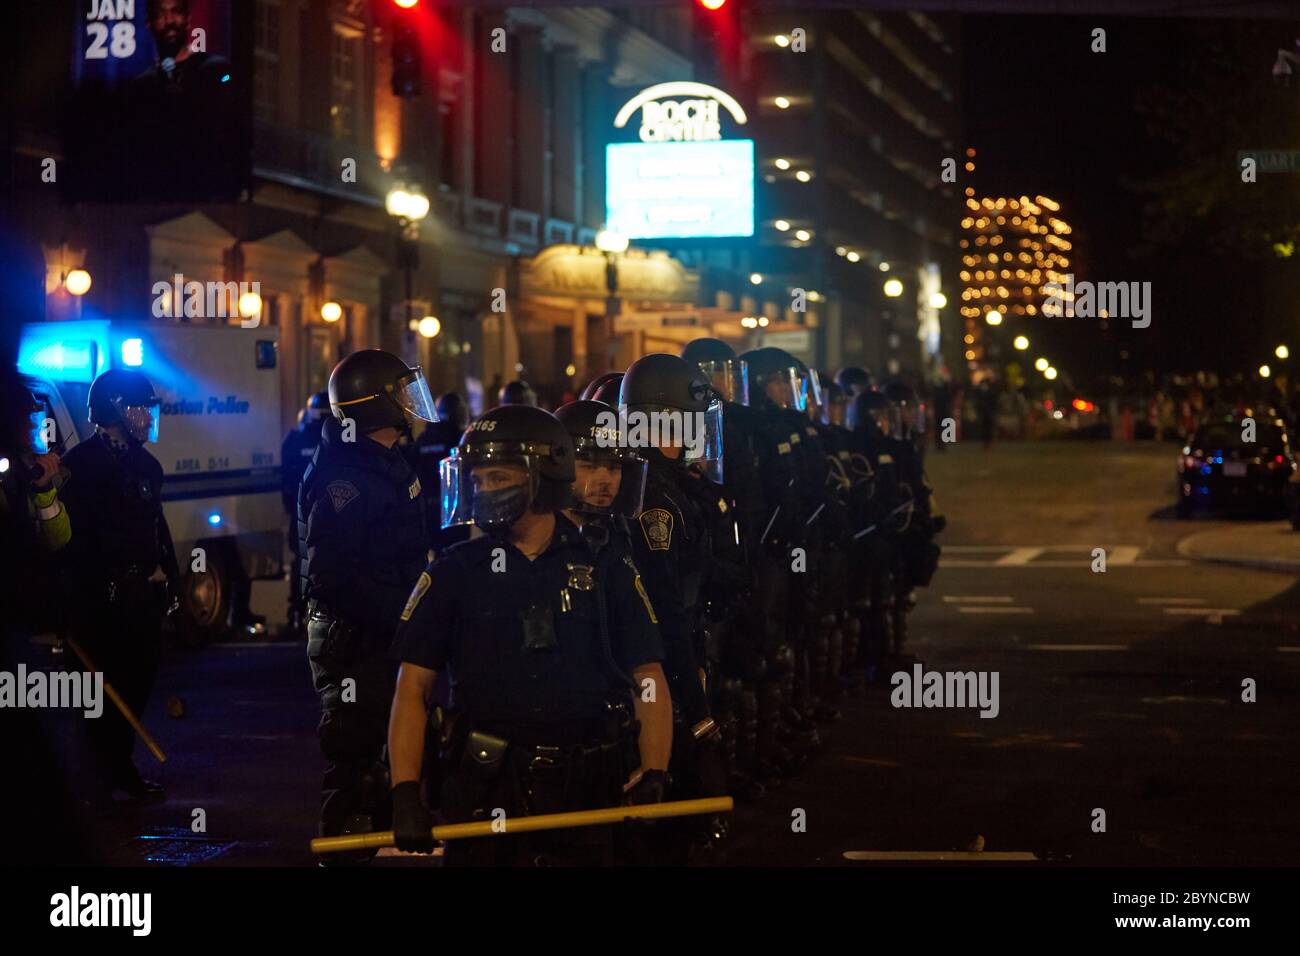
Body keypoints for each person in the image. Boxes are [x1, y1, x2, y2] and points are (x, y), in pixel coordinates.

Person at [388, 404, 670, 866]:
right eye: (477, 480)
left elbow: (648, 674)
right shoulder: (454, 572)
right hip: (485, 789)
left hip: (586, 793)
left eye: (498, 479)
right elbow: (412, 688)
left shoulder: (605, 567)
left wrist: (654, 768)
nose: (483, 491)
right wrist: (404, 792)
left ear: (545, 475)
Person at [299, 349, 435, 861]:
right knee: (356, 762)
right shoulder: (344, 480)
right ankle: (343, 855)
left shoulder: (385, 460)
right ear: (374, 406)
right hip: (354, 641)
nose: (409, 403)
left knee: (390, 757)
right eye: (400, 394)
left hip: (385, 634)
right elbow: (338, 579)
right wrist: (404, 619)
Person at [60, 368, 180, 803]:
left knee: (137, 682)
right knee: (96, 693)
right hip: (98, 599)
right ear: (114, 410)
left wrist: (172, 577)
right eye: (138, 410)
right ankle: (98, 775)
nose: (147, 419)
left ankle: (120, 765)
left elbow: (155, 525)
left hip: (140, 597)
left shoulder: (147, 465)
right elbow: (73, 541)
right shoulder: (80, 466)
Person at [281, 392, 329, 639]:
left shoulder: (295, 439)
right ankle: (320, 614)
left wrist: (292, 506)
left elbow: (285, 478)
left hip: (301, 513)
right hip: (326, 515)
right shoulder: (332, 439)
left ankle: (297, 614)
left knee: (301, 562)